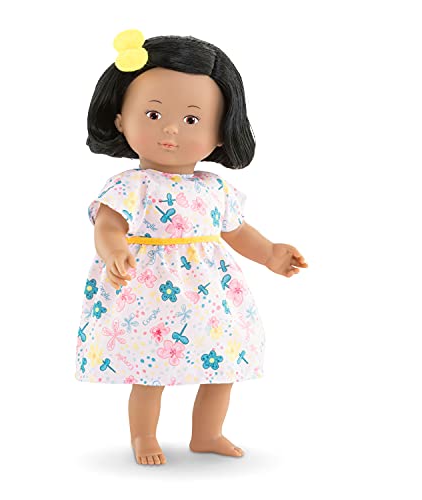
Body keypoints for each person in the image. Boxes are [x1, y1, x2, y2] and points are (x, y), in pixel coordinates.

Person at [75, 29, 308, 465]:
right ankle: (144, 436)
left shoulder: (214, 188)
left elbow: (236, 231)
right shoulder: (130, 186)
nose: (170, 129)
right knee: (150, 372)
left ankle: (207, 434)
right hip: (149, 295)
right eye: (153, 114)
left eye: (192, 120)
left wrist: (271, 253)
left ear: (221, 132)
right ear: (121, 120)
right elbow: (108, 226)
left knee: (221, 369)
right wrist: (114, 252)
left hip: (210, 298)